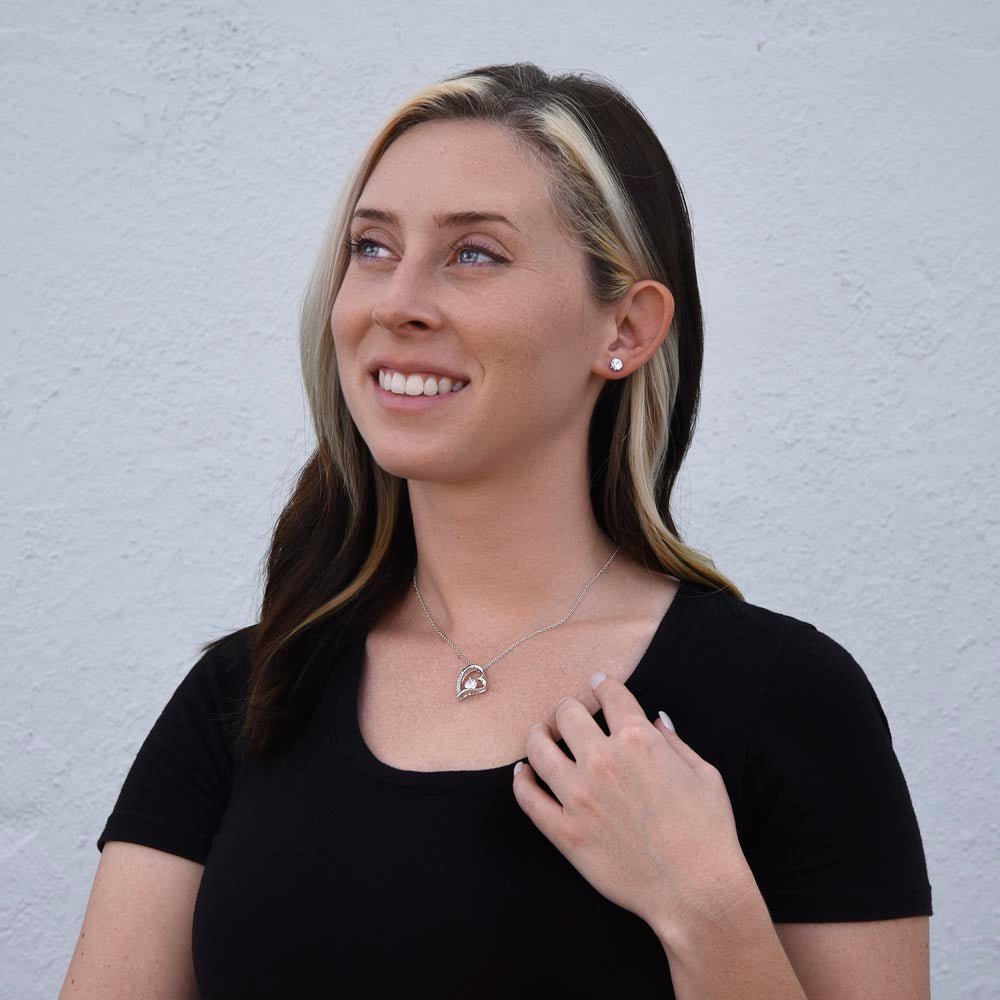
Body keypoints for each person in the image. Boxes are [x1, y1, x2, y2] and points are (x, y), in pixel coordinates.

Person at [60, 62, 932, 999]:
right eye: (372, 247)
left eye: (475, 252)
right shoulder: (247, 696)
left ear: (628, 329)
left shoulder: (787, 701)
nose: (396, 302)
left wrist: (706, 907)